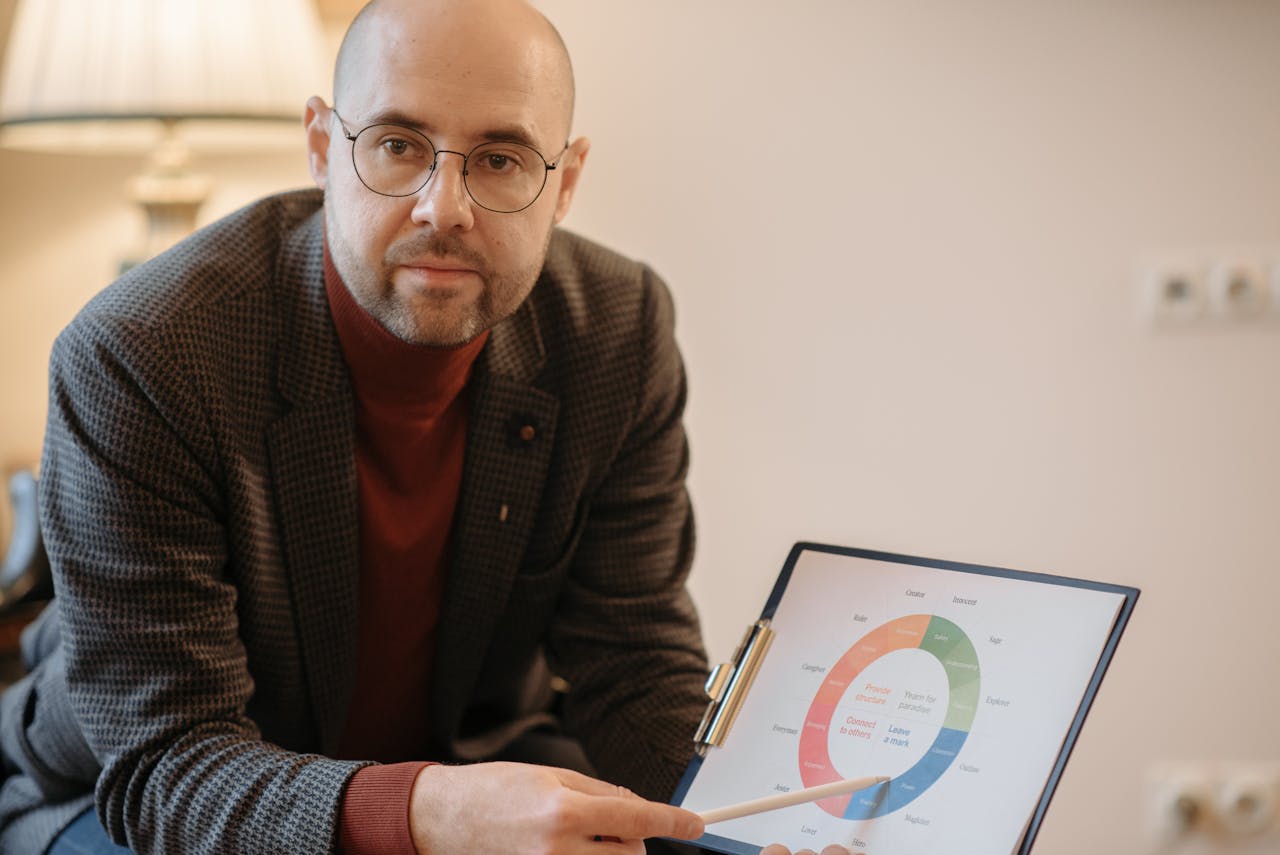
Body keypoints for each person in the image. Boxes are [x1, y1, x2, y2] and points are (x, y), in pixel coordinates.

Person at [0, 2, 857, 853]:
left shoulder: (615, 329)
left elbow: (632, 671)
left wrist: (758, 826)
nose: (443, 208)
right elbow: (167, 766)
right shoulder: (145, 353)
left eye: (500, 157)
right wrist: (428, 812)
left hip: (473, 760)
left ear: (564, 182)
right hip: (134, 793)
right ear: (322, 145)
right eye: (399, 145)